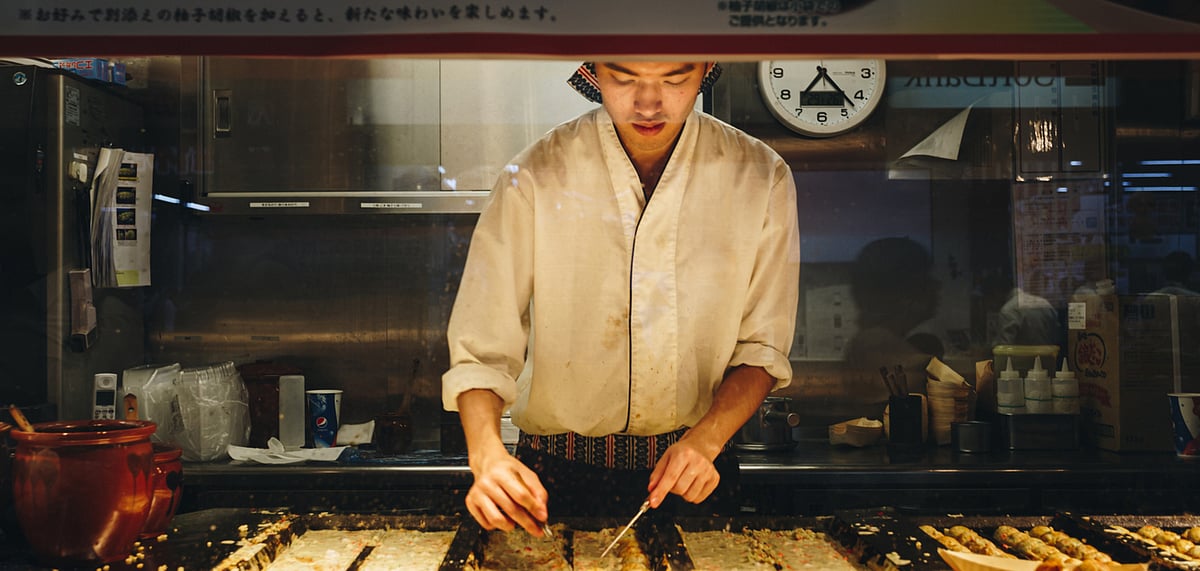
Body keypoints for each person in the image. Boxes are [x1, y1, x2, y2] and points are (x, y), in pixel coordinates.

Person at [441, 61, 800, 536]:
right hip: (554, 476)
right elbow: (482, 348)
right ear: (592, 71)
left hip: (694, 474)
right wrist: (486, 454)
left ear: (707, 68)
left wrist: (707, 441)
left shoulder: (759, 176)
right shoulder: (536, 173)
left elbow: (762, 349)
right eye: (623, 77)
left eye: (674, 79)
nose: (648, 103)